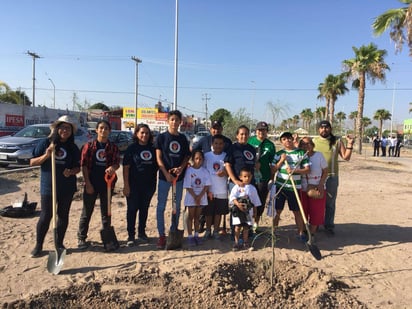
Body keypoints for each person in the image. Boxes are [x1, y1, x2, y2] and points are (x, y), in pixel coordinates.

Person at [30, 115, 81, 257]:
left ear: (71, 131)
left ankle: (59, 244)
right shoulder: (46, 143)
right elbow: (32, 162)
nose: (65, 130)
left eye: (68, 128)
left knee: (63, 216)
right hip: (49, 187)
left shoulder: (72, 147)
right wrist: (46, 155)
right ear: (57, 128)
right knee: (46, 216)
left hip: (67, 188)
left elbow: (78, 167)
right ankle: (38, 245)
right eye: (63, 127)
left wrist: (71, 172)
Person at [77, 120, 120, 249]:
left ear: (109, 131)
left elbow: (117, 162)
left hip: (107, 184)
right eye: (101, 128)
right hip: (92, 182)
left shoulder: (113, 147)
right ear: (96, 130)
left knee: (106, 212)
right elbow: (84, 165)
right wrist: (88, 183)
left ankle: (107, 239)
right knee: (87, 211)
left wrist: (113, 167)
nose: (103, 130)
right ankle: (81, 238)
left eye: (106, 128)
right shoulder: (89, 146)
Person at [155, 110, 191, 249]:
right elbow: (158, 158)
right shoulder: (161, 138)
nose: (174, 122)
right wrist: (166, 173)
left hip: (179, 178)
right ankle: (161, 235)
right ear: (168, 121)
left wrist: (181, 168)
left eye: (177, 120)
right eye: (172, 120)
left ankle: (173, 230)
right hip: (165, 177)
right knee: (161, 206)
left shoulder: (183, 138)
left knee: (176, 206)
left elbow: (186, 156)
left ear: (180, 122)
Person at [313, 120, 354, 235]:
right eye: (321, 127)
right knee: (315, 202)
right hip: (316, 177)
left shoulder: (337, 141)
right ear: (318, 129)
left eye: (326, 128)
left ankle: (329, 225)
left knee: (330, 203)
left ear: (330, 129)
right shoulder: (313, 141)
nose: (324, 130)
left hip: (331, 177)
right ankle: (315, 225)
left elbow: (346, 157)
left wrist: (350, 144)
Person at [122, 123, 158, 246]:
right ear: (137, 134)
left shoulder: (153, 149)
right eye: (142, 132)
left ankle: (142, 233)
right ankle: (131, 235)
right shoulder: (131, 149)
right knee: (132, 210)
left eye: (147, 133)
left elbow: (160, 164)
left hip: (149, 186)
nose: (144, 135)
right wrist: (126, 185)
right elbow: (126, 167)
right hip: (133, 186)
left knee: (144, 210)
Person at [271, 131, 310, 241]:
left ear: (292, 139)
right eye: (284, 139)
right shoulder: (279, 154)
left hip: (294, 188)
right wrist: (281, 161)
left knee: (297, 211)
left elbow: (307, 169)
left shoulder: (301, 153)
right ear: (281, 141)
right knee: (277, 210)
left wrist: (295, 170)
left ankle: (301, 233)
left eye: (289, 138)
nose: (287, 140)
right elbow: (273, 170)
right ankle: (273, 232)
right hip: (281, 186)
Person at [247, 121, 276, 230]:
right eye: (259, 130)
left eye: (264, 130)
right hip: (249, 177)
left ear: (267, 132)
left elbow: (272, 163)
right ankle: (248, 224)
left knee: (260, 201)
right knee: (249, 200)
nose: (261, 132)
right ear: (256, 131)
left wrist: (272, 179)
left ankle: (256, 223)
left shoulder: (270, 145)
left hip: (264, 177)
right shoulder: (250, 141)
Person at [298, 137, 328, 238]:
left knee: (316, 211)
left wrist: (320, 184)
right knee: (303, 211)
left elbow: (325, 171)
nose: (306, 146)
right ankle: (303, 232)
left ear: (312, 144)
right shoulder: (299, 156)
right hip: (303, 187)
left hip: (316, 186)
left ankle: (312, 233)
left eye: (308, 143)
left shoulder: (318, 155)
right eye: (303, 144)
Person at [229, 167, 261, 251]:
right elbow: (232, 197)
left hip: (248, 211)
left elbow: (255, 202)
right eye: (245, 176)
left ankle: (245, 242)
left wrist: (255, 211)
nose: (247, 178)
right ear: (240, 177)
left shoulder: (252, 188)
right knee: (237, 227)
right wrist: (237, 204)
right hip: (238, 211)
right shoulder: (237, 187)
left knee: (246, 227)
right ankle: (236, 243)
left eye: (249, 176)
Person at [203, 134, 229, 240]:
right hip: (210, 189)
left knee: (218, 212)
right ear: (212, 144)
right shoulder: (207, 156)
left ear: (223, 145)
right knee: (208, 212)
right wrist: (206, 188)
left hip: (222, 189)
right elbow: (203, 171)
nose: (218, 146)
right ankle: (208, 230)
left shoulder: (226, 156)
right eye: (216, 143)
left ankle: (216, 231)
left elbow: (229, 171)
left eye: (220, 144)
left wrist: (225, 172)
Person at [183, 150, 211, 246]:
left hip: (201, 196)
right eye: (196, 158)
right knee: (190, 217)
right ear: (193, 159)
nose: (198, 160)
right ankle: (190, 236)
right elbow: (187, 185)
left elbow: (207, 185)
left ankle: (196, 235)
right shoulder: (189, 170)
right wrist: (195, 196)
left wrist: (200, 196)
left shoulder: (205, 171)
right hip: (191, 197)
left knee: (197, 217)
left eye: (200, 159)